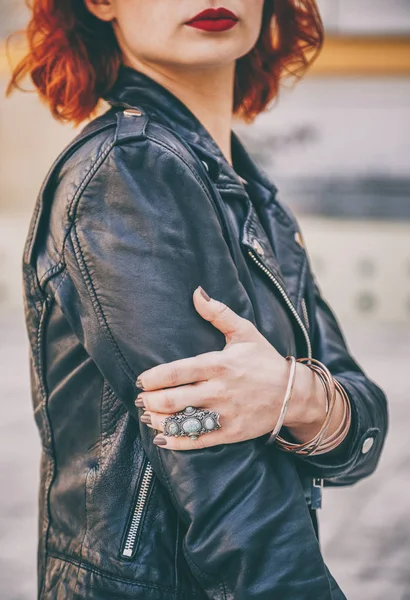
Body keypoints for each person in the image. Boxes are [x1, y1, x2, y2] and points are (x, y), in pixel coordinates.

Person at [7, 1, 388, 598]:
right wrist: (308, 403)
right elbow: (233, 492)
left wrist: (295, 393)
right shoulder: (127, 174)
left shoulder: (245, 190)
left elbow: (364, 433)